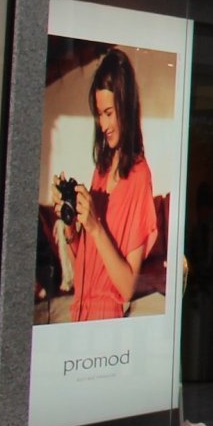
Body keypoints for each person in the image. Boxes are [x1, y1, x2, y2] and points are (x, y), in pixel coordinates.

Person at [66, 48, 160, 324]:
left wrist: (94, 226)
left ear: (125, 107)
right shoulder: (102, 168)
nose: (103, 124)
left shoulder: (139, 175)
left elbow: (127, 287)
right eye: (99, 114)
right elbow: (83, 269)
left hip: (104, 320)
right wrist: (70, 225)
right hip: (79, 311)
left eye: (109, 113)